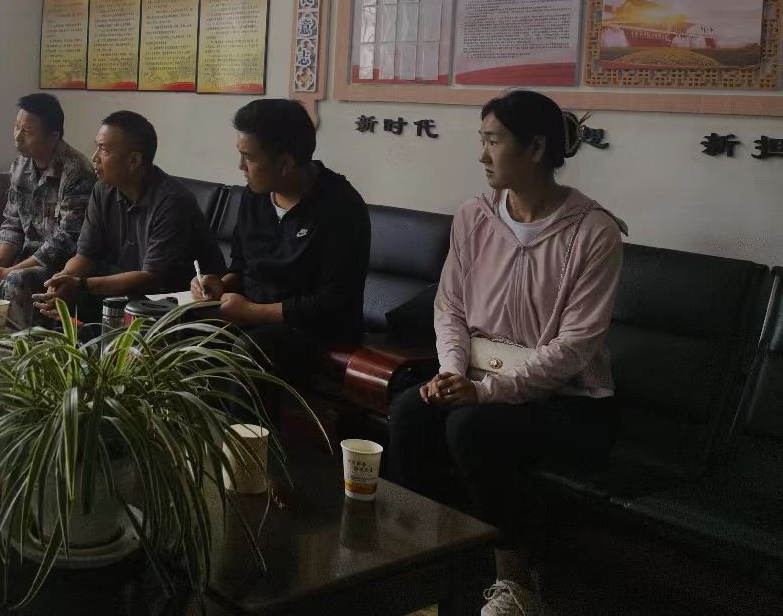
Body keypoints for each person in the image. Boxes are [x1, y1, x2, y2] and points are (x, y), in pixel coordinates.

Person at [386, 90, 625, 616]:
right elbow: (450, 307)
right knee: (409, 411)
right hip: (475, 374)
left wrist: (486, 392)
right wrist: (452, 372)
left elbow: (577, 345)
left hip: (568, 401)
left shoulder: (594, 232)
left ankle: (516, 583)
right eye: (483, 140)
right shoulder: (474, 216)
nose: (483, 155)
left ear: (535, 148)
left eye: (493, 141)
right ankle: (424, 565)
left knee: (472, 428)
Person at [191, 98, 370, 387]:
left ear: (285, 164)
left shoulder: (341, 207)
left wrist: (250, 312)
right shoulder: (254, 195)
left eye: (249, 158)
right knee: (181, 330)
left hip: (312, 332)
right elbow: (243, 264)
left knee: (250, 350)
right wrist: (220, 285)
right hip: (252, 318)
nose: (240, 166)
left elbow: (333, 304)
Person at [33, 110, 224, 321]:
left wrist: (80, 284)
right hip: (129, 294)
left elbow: (150, 278)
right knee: (57, 295)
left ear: (134, 161)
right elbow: (85, 256)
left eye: (104, 150)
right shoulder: (103, 189)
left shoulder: (173, 201)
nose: (94, 158)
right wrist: (61, 280)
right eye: (97, 147)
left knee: (84, 296)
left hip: (173, 302)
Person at [0, 93, 95, 327]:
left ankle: (17, 347)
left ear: (52, 137)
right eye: (16, 127)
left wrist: (7, 272)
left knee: (14, 280)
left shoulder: (77, 174)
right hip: (23, 256)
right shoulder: (20, 166)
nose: (17, 137)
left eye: (27, 132)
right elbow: (12, 223)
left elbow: (65, 244)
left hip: (59, 267)